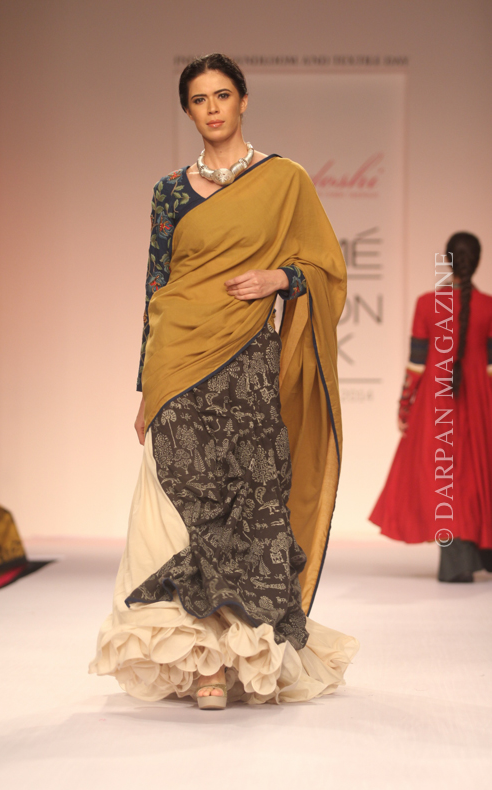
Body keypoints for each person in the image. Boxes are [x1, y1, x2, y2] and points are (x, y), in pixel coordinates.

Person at [90, 53, 358, 709]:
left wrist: (279, 278)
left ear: (243, 100)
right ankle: (204, 665)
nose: (212, 108)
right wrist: (146, 385)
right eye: (199, 99)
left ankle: (242, 655)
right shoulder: (169, 191)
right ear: (188, 110)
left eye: (222, 95)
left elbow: (326, 268)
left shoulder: (284, 180)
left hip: (246, 362)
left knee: (248, 500)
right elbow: (156, 286)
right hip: (177, 361)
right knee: (184, 506)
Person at [370, 232, 492, 582]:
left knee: (443, 476)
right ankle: (477, 554)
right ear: (477, 262)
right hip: (479, 401)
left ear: (448, 260)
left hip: (436, 403)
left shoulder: (427, 304)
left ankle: (457, 561)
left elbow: (416, 365)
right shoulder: (489, 307)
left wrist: (404, 407)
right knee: (475, 474)